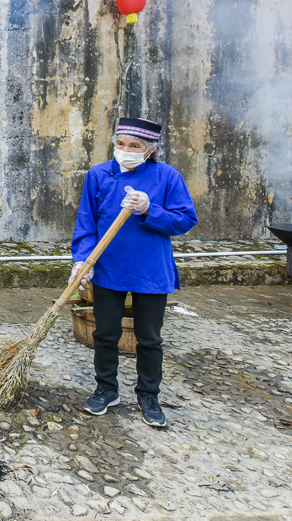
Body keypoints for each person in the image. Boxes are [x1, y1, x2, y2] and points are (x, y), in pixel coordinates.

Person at [70, 118, 198, 428]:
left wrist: (149, 209)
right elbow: (87, 224)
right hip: (108, 268)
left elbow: (185, 219)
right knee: (105, 333)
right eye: (120, 144)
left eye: (135, 146)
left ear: (152, 149)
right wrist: (81, 260)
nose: (125, 151)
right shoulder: (98, 175)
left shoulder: (167, 177)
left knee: (149, 338)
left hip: (151, 270)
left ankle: (148, 395)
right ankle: (106, 389)